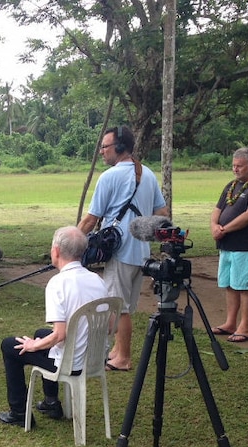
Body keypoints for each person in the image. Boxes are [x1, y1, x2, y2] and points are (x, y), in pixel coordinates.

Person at [0, 226, 109, 427]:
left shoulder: (58, 283)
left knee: (9, 346)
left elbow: (59, 335)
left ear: (56, 251)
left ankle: (19, 413)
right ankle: (51, 402)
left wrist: (33, 346)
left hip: (71, 364)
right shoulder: (97, 280)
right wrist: (42, 340)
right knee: (41, 333)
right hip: (94, 360)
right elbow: (109, 327)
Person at [78, 126, 169, 371]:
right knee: (126, 305)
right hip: (141, 253)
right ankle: (118, 351)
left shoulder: (109, 177)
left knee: (119, 307)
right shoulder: (147, 174)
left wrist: (71, 244)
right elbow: (162, 214)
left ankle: (123, 358)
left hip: (120, 252)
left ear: (119, 148)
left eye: (105, 147)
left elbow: (90, 219)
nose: (101, 152)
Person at [209, 147, 248, 343]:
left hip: (246, 245)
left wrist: (225, 229)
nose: (235, 169)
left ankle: (244, 327)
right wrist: (214, 226)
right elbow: (218, 208)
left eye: (239, 166)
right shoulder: (232, 185)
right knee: (229, 284)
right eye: (233, 166)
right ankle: (230, 323)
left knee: (244, 286)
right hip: (227, 244)